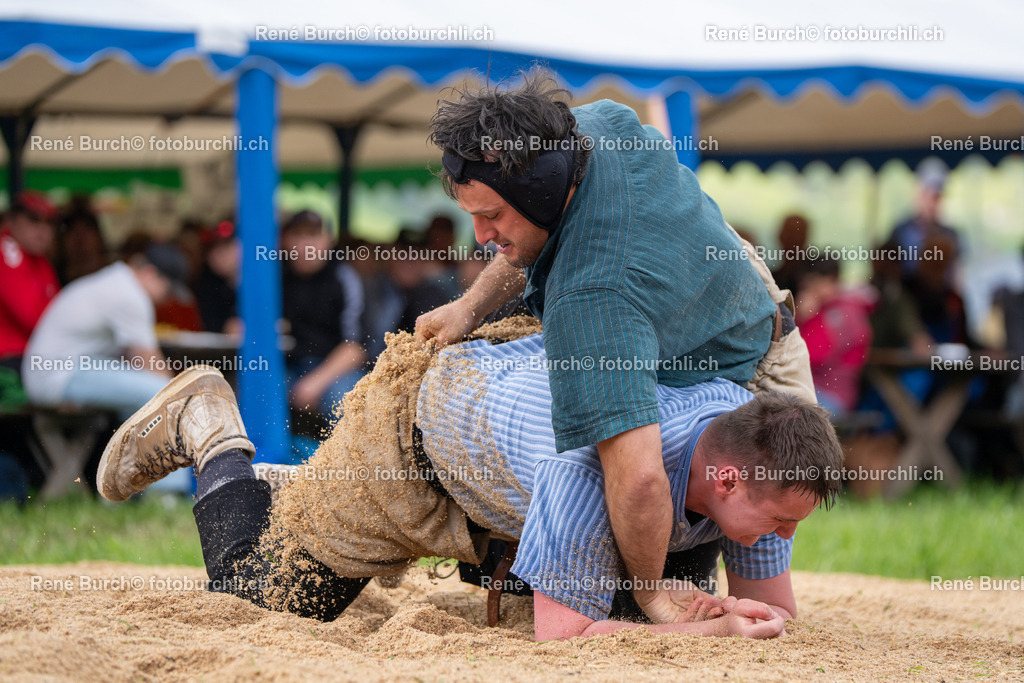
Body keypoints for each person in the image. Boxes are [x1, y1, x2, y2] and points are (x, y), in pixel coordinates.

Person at [95, 324, 843, 640]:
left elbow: (776, 609)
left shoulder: (746, 426)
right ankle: (214, 431)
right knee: (269, 595)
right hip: (417, 445)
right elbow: (567, 637)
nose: (784, 540)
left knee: (654, 603)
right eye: (779, 523)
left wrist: (741, 614)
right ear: (728, 475)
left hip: (511, 418)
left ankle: (291, 483)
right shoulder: (589, 461)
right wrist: (712, 631)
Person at [415, 72, 816, 620]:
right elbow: (530, 237)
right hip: (717, 311)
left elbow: (641, 473)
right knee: (667, 527)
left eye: (491, 216)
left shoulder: (593, 296)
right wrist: (468, 308)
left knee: (733, 516)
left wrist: (654, 593)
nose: (481, 236)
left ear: (539, 190)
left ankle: (677, 599)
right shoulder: (588, 128)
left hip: (749, 365)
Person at [20, 243, 183, 418]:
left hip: (56, 372)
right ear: (150, 273)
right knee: (164, 395)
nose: (168, 299)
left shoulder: (118, 280)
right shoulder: (130, 294)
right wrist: (187, 398)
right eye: (168, 291)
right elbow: (152, 366)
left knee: (143, 397)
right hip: (56, 376)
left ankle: (127, 445)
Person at [280, 210, 366, 419]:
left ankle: (347, 453)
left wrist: (315, 382)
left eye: (313, 235)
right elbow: (235, 326)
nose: (305, 244)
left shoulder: (344, 279)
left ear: (328, 240)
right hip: (284, 367)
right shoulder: (273, 276)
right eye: (298, 235)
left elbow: (355, 348)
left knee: (348, 398)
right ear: (284, 240)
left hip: (332, 371)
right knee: (254, 388)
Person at [794, 255, 872, 416]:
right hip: (811, 390)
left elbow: (813, 355)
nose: (807, 291)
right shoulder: (826, 309)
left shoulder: (844, 313)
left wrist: (807, 318)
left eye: (812, 284)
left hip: (833, 396)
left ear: (830, 279)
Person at [0, 191, 60, 379]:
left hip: (32, 357)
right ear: (12, 221)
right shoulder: (7, 250)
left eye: (48, 222)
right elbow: (34, 317)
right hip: (9, 360)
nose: (42, 229)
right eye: (34, 220)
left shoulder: (39, 260)